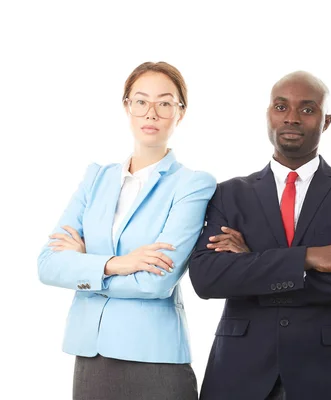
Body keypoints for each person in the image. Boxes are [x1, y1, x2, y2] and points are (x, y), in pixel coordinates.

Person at [188, 71, 331, 400]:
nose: (292, 118)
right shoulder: (228, 193)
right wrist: (309, 258)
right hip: (241, 372)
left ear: (326, 121)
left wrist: (251, 265)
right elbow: (207, 278)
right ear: (268, 115)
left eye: (307, 109)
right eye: (281, 107)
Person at [37, 61, 216, 400]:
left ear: (181, 113)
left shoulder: (192, 184)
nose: (151, 113)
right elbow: (47, 264)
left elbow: (157, 281)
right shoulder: (96, 178)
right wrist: (117, 263)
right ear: (126, 107)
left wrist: (85, 264)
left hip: (155, 360)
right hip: (91, 357)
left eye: (164, 103)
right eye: (141, 101)